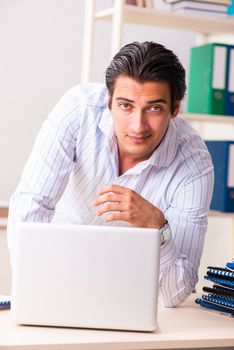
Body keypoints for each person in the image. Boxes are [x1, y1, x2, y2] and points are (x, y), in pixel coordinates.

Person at [7, 41, 214, 307]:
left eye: (154, 108)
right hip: (57, 274)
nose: (137, 126)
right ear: (109, 101)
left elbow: (174, 294)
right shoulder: (78, 111)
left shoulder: (194, 163)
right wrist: (33, 284)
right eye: (126, 106)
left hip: (132, 295)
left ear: (175, 109)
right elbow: (32, 204)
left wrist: (158, 227)